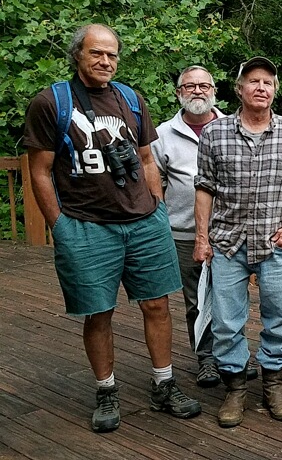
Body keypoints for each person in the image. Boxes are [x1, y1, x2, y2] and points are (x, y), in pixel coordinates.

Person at [24, 23, 201, 433]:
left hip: (143, 222)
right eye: (96, 53)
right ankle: (106, 390)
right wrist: (60, 226)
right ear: (78, 55)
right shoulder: (51, 102)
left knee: (157, 305)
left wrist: (156, 208)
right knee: (98, 312)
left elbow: (146, 159)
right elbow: (40, 171)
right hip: (87, 225)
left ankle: (164, 384)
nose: (105, 61)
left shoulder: (130, 99)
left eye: (111, 54)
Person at [194, 56, 282, 427]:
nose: (260, 87)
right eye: (253, 81)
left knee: (279, 317)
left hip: (277, 242)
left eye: (267, 82)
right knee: (226, 321)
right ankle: (235, 388)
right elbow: (204, 188)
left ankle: (273, 384)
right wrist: (202, 238)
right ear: (239, 89)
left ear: (274, 90)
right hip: (227, 242)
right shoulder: (215, 133)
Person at [152, 65, 228, 388]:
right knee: (196, 300)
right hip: (183, 233)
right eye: (190, 86)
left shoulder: (232, 127)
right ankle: (207, 359)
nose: (197, 91)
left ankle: (233, 354)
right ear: (178, 93)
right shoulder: (162, 135)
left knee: (231, 296)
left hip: (228, 230)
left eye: (203, 86)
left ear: (214, 91)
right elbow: (155, 185)